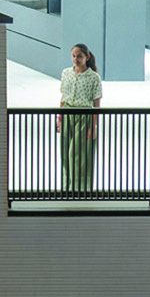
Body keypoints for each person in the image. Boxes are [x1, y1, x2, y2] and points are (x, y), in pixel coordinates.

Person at [56, 42, 102, 193]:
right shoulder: (66, 73)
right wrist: (59, 117)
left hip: (83, 116)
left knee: (78, 155)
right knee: (65, 153)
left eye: (80, 57)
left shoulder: (94, 77)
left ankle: (80, 189)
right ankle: (66, 188)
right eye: (74, 56)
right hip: (67, 114)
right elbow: (64, 95)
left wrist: (93, 126)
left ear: (87, 57)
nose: (76, 59)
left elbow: (96, 104)